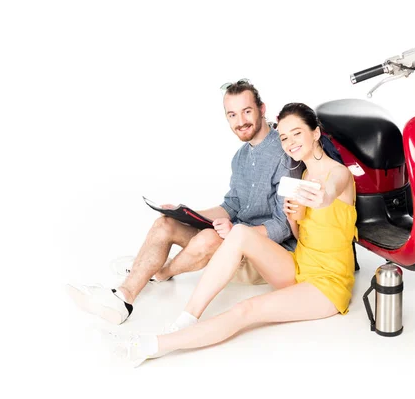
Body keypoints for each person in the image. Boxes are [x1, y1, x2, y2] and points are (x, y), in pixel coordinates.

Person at [107, 102, 357, 367]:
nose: (290, 142)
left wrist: (320, 197)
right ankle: (186, 318)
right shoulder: (303, 174)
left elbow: (329, 191)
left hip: (327, 284)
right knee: (238, 232)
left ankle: (155, 345)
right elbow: (300, 233)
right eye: (284, 136)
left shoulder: (339, 174)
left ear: (315, 133)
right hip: (298, 266)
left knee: (245, 310)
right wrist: (294, 216)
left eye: (297, 133)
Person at [67, 80, 302, 327]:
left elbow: (284, 225)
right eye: (232, 114)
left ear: (262, 109)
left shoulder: (285, 151)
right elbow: (232, 205)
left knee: (209, 239)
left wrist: (237, 233)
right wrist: (186, 213)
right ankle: (122, 298)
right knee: (165, 224)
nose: (240, 121)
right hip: (232, 237)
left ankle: (159, 271)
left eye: (247, 111)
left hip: (264, 254)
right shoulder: (241, 157)